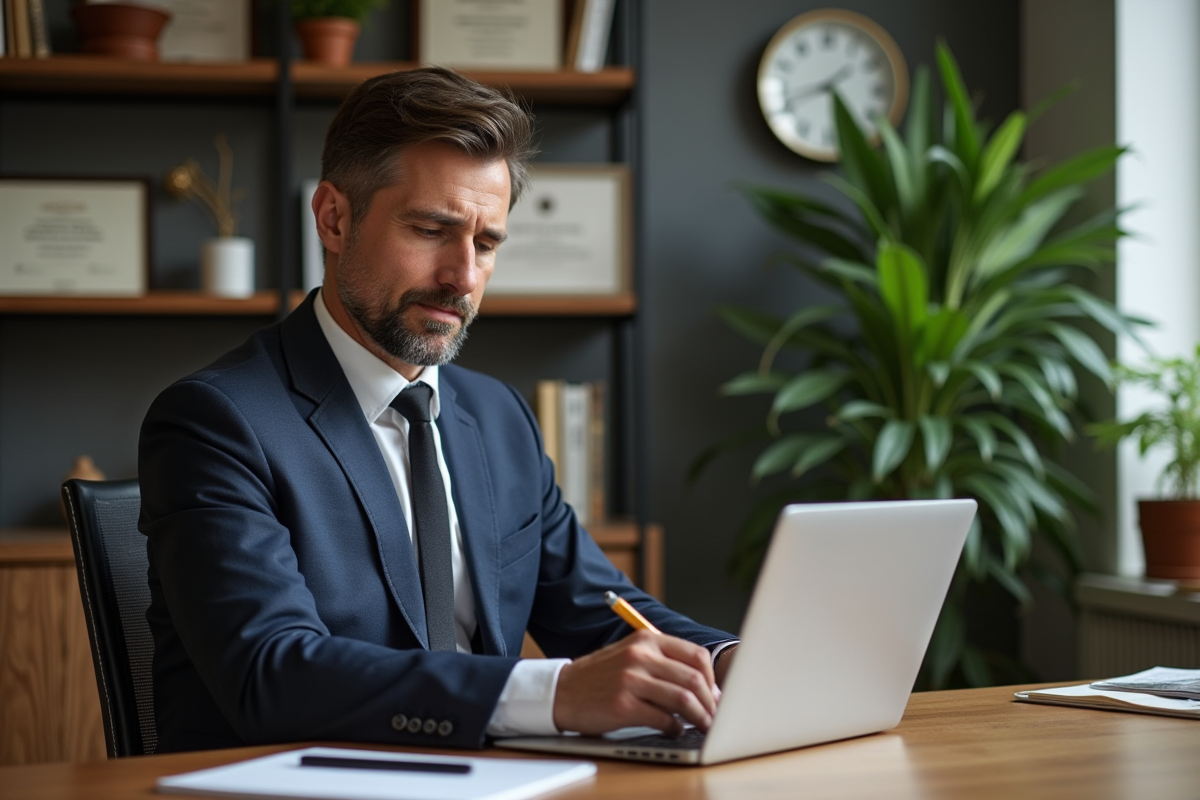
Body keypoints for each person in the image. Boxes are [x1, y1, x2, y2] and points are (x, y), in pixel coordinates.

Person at [139, 66, 737, 755]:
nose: (463, 277)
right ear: (334, 219)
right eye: (430, 230)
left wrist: (729, 662)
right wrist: (557, 694)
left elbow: (602, 613)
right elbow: (271, 675)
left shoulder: (499, 415)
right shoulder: (215, 421)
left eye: (486, 244)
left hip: (498, 783)